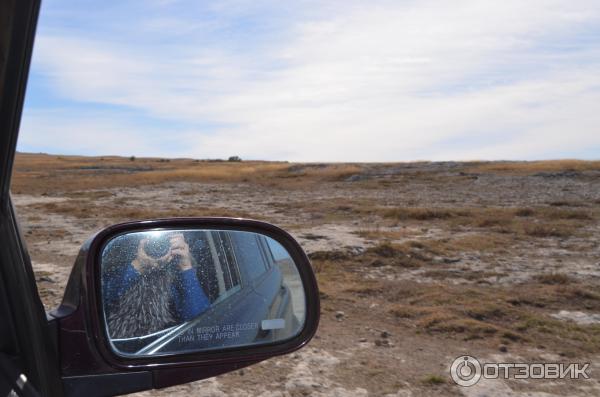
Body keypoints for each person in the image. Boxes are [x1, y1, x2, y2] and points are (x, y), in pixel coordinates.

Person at [103, 232, 211, 339]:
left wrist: (186, 267)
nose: (157, 244)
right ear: (141, 240)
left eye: (165, 239)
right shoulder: (120, 253)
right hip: (122, 341)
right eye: (151, 237)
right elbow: (104, 298)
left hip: (162, 341)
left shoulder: (178, 267)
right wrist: (139, 264)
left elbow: (199, 323)